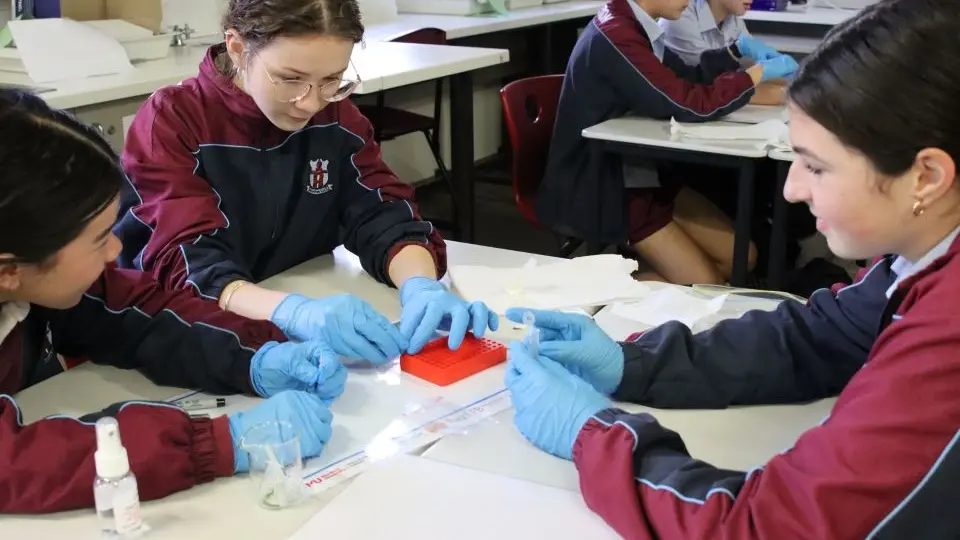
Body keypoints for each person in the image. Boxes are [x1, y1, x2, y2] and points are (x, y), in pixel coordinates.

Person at [505, 0, 960, 537]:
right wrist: (632, 364)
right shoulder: (924, 260)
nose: (792, 188)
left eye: (816, 166)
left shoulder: (947, 328)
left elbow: (763, 528)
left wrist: (593, 433)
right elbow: (822, 335)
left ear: (926, 176)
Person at [0, 90, 346, 513]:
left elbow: (138, 313)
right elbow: (14, 464)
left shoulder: (35, 268)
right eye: (97, 240)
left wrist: (253, 357)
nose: (115, 251)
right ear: (9, 270)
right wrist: (217, 442)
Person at [114, 0, 496, 359]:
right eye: (290, 79)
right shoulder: (173, 121)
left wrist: (420, 284)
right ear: (236, 48)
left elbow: (380, 213)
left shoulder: (337, 118)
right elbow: (183, 260)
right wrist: (291, 312)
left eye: (332, 79)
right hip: (188, 334)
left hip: (296, 307)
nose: (312, 103)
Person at [540, 0, 797, 285]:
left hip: (643, 170)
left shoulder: (638, 27)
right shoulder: (617, 34)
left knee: (741, 258)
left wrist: (733, 53)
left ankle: (660, 288)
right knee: (707, 283)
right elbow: (687, 103)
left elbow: (685, 80)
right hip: (605, 181)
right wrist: (754, 75)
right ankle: (590, 291)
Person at [661, 0, 789, 107]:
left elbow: (752, 70)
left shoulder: (734, 21)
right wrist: (785, 95)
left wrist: (796, 79)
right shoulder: (680, 16)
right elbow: (711, 86)